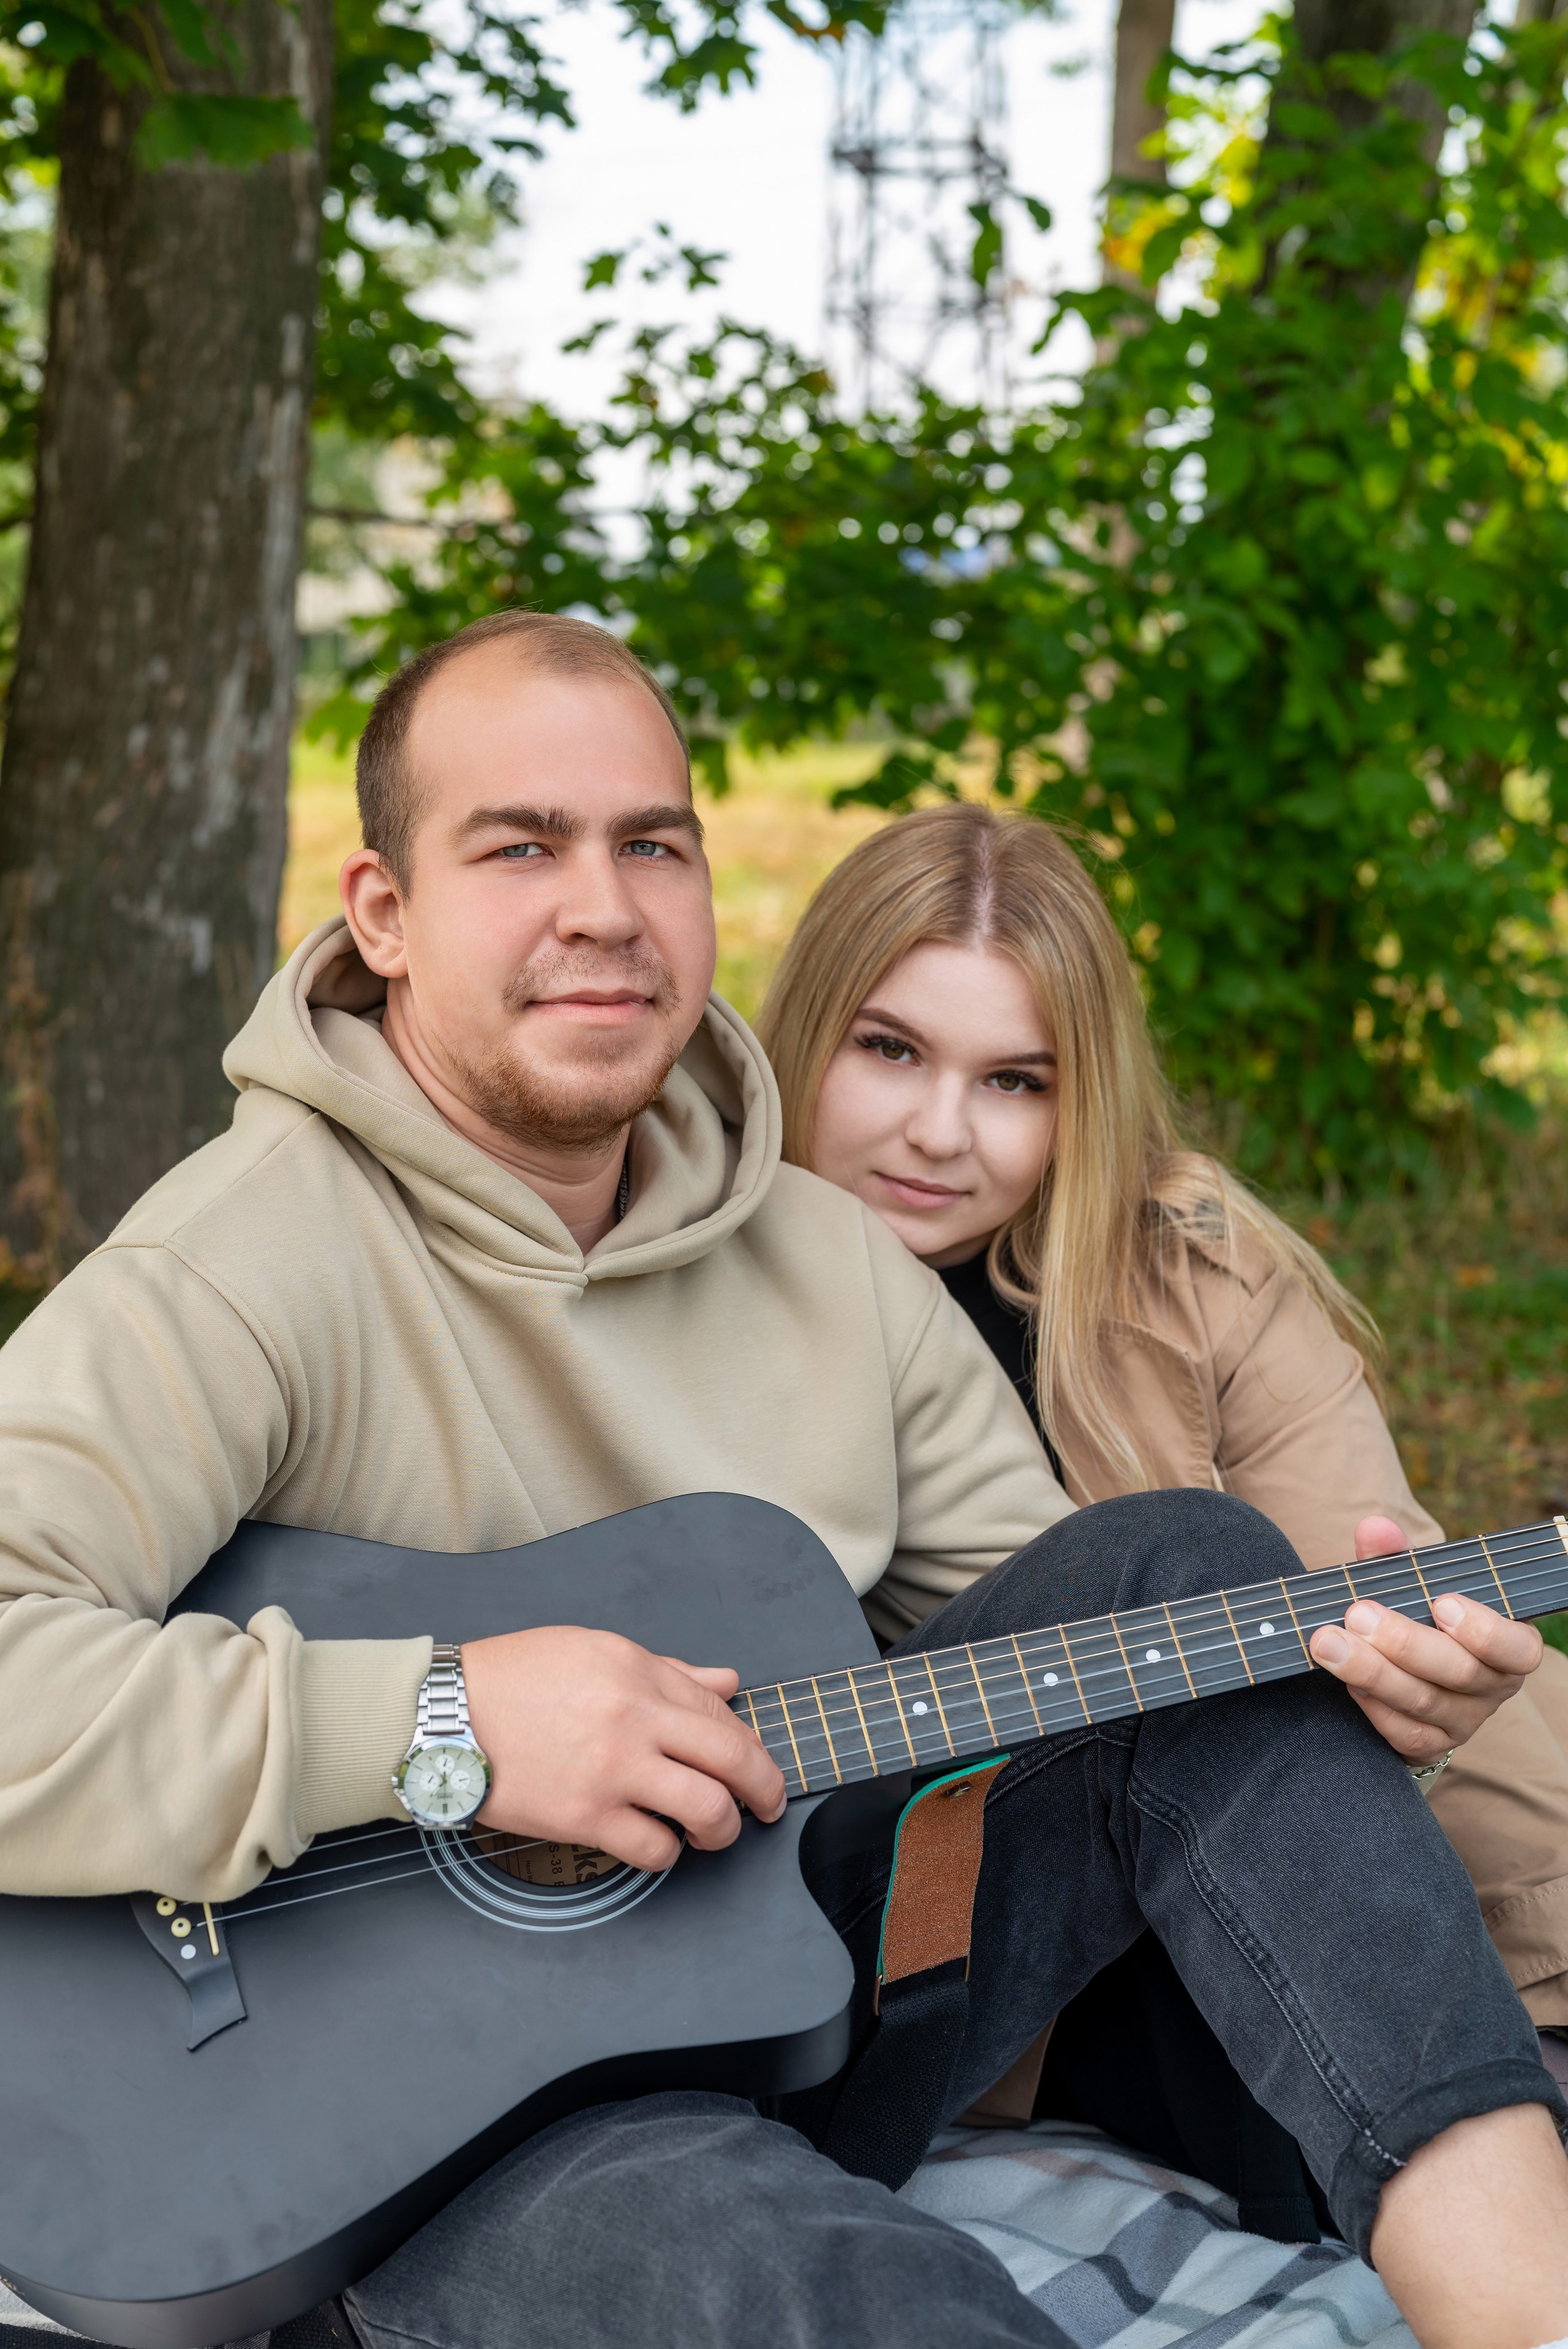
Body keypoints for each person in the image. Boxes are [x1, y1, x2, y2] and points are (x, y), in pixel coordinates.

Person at [0, 613, 1564, 2349]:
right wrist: (446, 1718)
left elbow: (1108, 1693)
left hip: (795, 1987)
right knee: (823, 2284)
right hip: (403, 2135)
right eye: (520, 844)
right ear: (383, 911)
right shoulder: (240, 1264)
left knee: (1189, 1575)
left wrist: (1347, 1685)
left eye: (652, 844)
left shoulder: (829, 1262)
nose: (604, 902)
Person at [756, 799, 1568, 2177]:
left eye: (1016, 1080)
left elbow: (1373, 1598)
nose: (938, 1133)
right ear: (802, 1030)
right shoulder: (665, 1264)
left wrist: (1425, 1706)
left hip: (1292, 1865)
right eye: (887, 1050)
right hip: (915, 1932)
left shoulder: (1183, 1264)